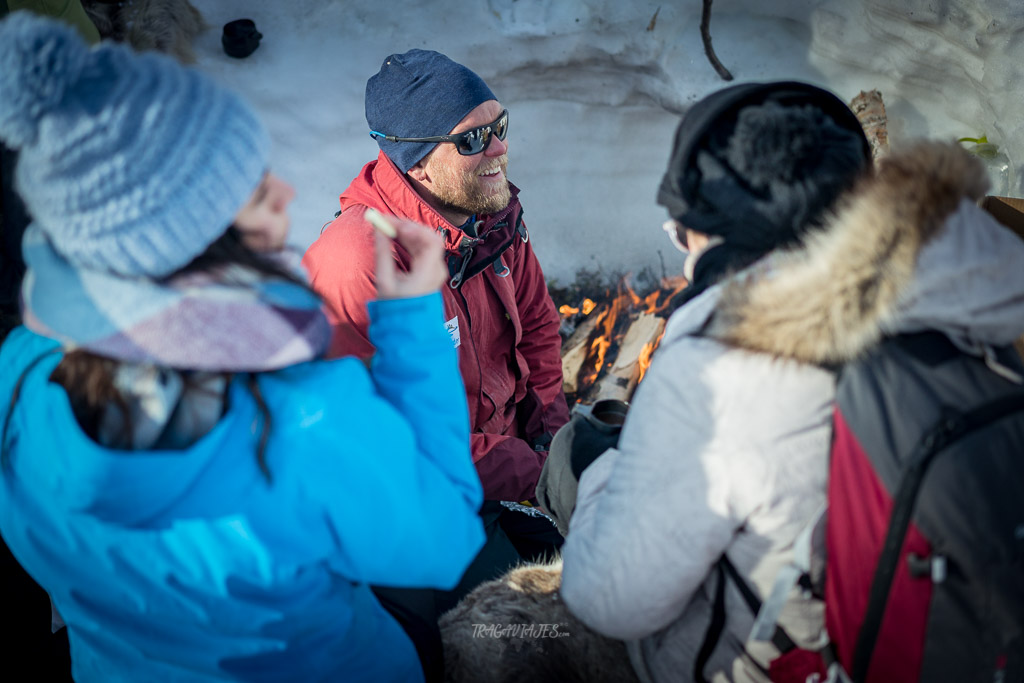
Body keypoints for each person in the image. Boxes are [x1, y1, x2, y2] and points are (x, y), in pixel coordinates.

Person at [0, 13, 484, 683]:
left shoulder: (19, 377)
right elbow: (444, 537)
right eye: (254, 191)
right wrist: (411, 330)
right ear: (195, 245)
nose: (287, 191)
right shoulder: (300, 417)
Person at [557, 82, 885, 681]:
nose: (681, 247)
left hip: (767, 661)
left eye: (681, 229)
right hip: (909, 632)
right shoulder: (930, 306)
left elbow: (609, 599)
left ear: (713, 228)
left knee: (569, 453)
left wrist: (604, 468)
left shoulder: (725, 358)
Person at [302, 49, 569, 602]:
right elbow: (387, 441)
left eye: (499, 127)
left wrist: (551, 436)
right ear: (416, 162)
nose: (498, 148)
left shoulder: (489, 216)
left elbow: (539, 324)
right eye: (471, 140)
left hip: (497, 470)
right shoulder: (360, 264)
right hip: (409, 501)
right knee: (528, 626)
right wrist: (533, 471)